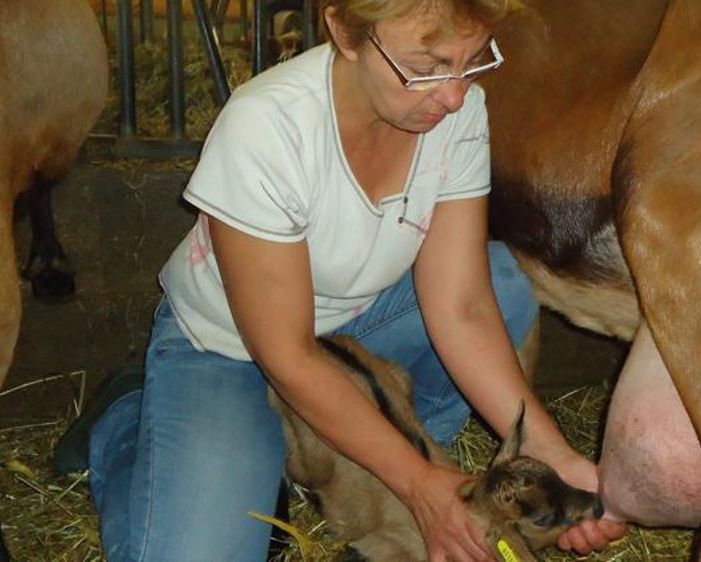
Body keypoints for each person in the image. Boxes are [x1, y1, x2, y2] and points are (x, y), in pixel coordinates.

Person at [54, 0, 626, 560]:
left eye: (472, 59)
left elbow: (464, 306)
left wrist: (552, 451)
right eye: (425, 68)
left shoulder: (459, 112)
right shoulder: (269, 125)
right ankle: (128, 418)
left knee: (507, 281)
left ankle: (345, 452)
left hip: (361, 326)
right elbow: (289, 355)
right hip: (228, 351)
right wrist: (420, 487)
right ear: (346, 33)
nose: (453, 95)